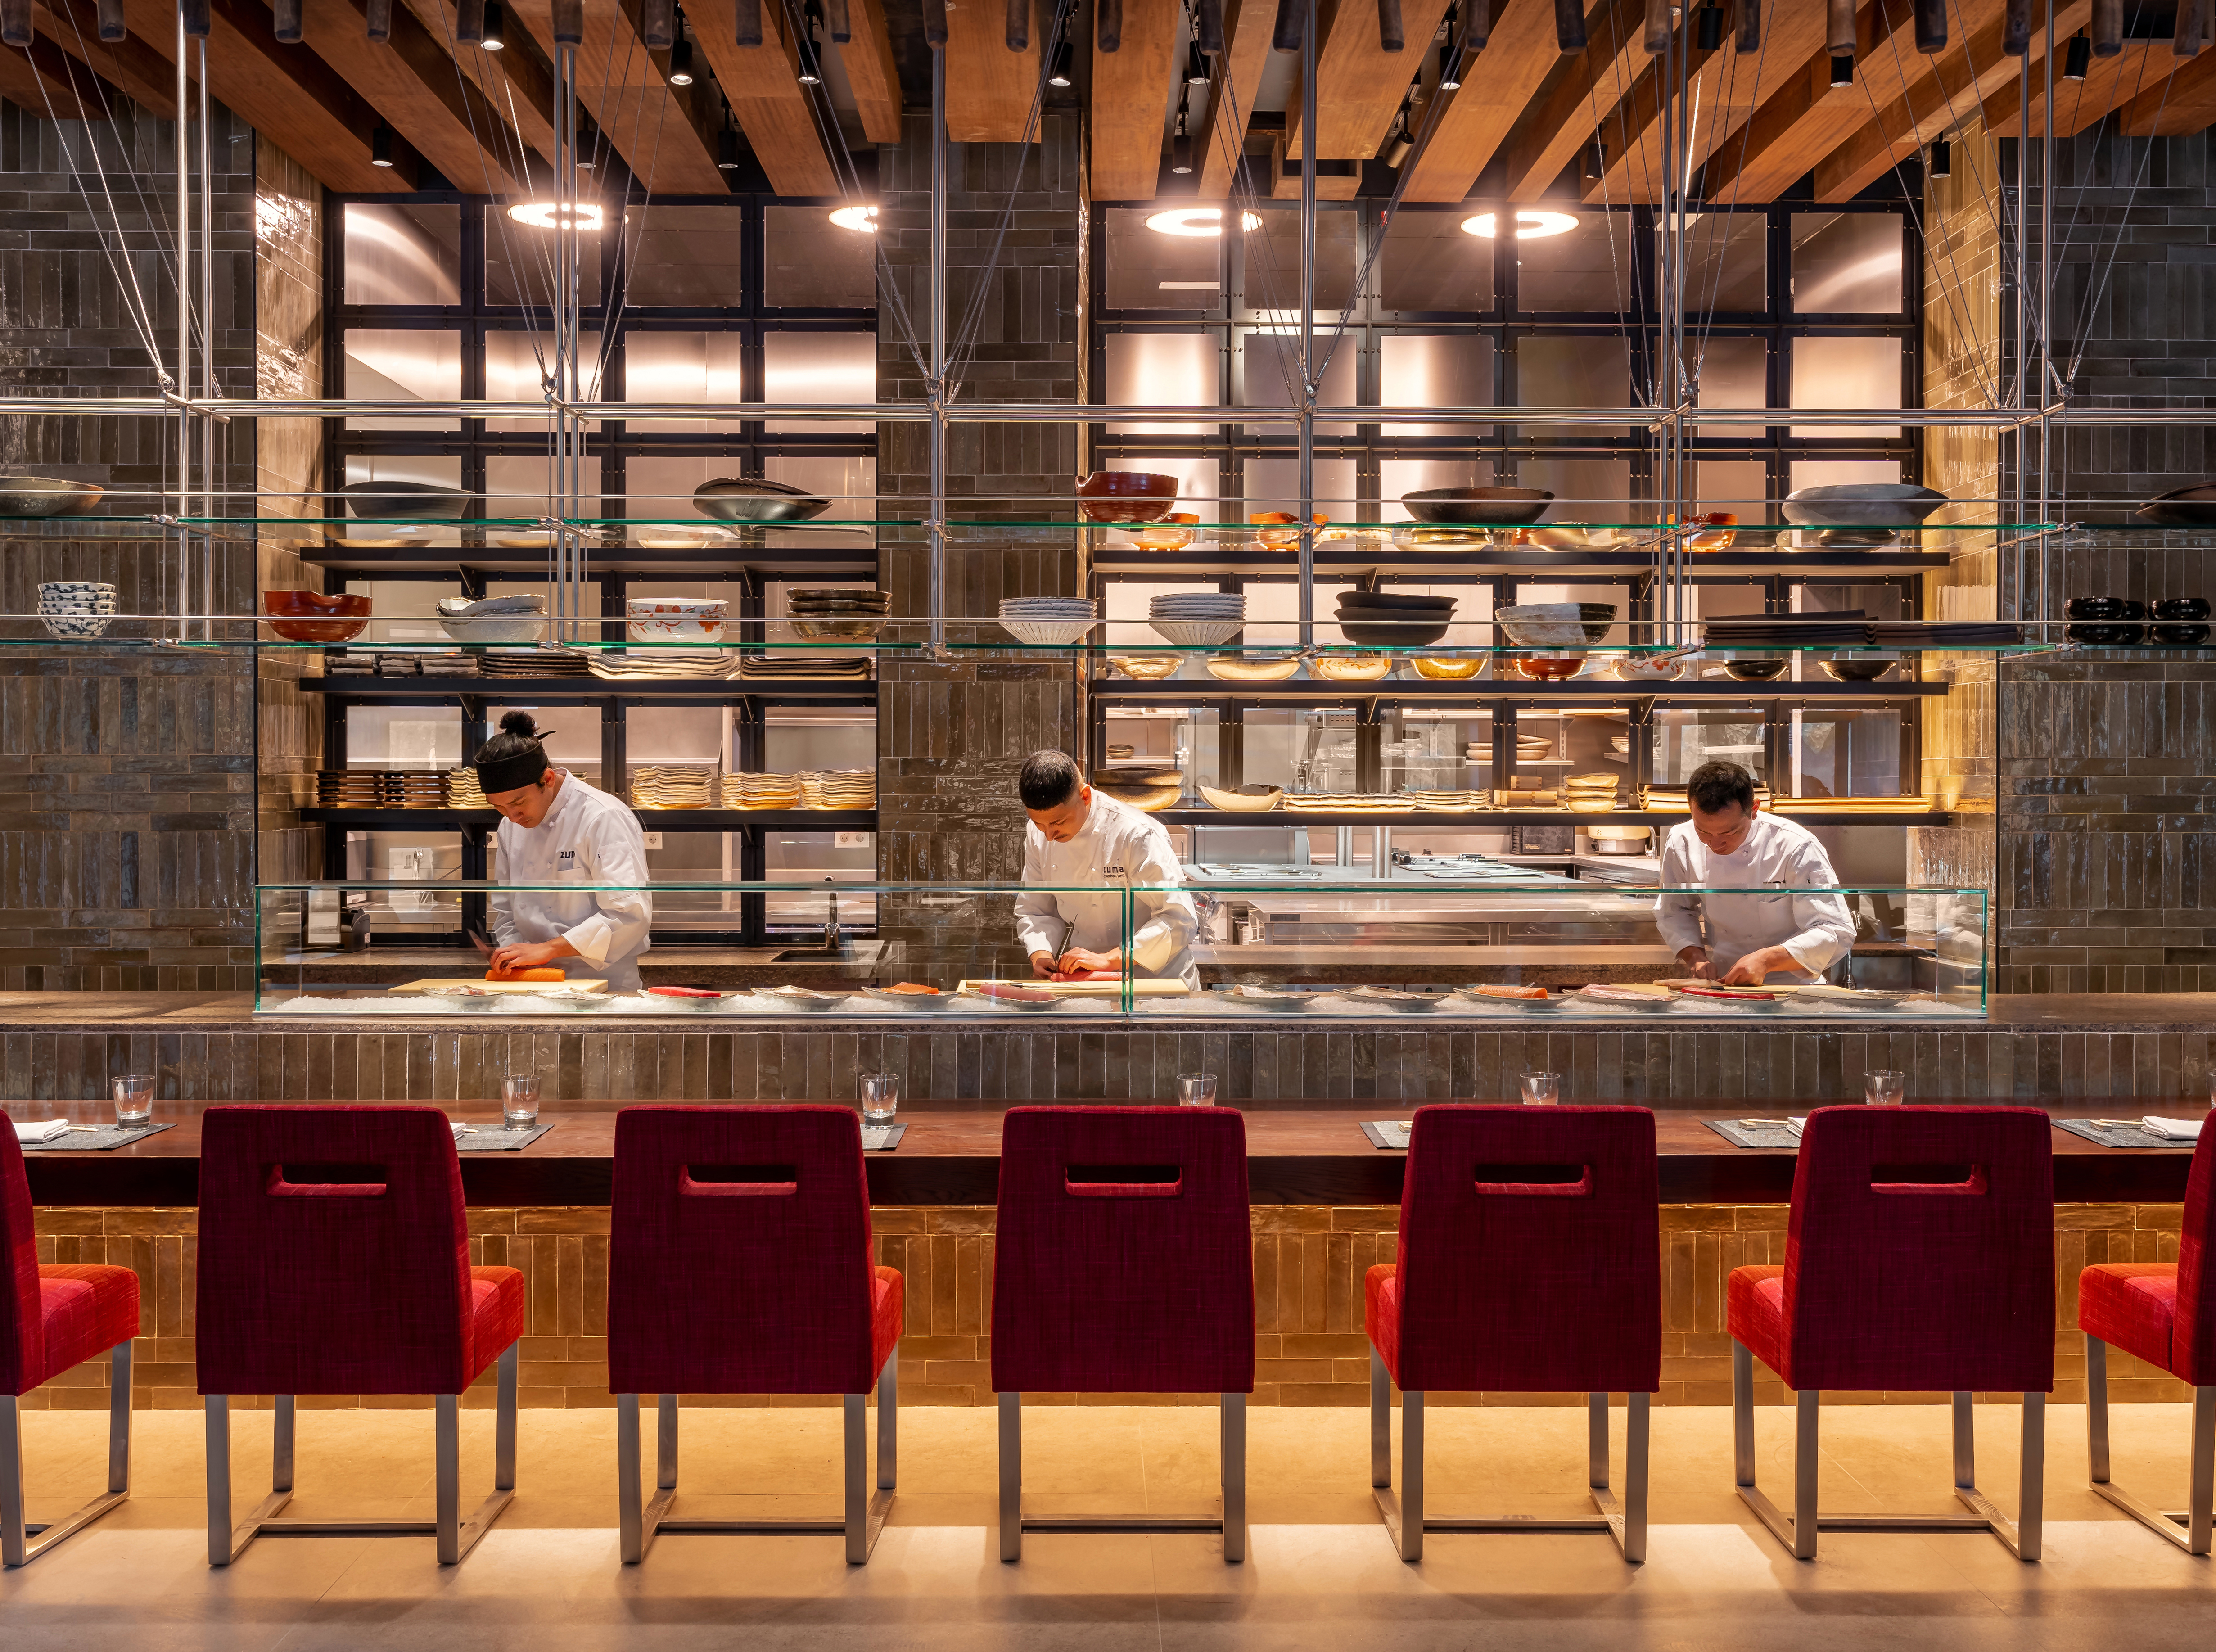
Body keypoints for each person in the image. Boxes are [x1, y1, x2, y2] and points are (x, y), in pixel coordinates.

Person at [470, 711, 654, 991]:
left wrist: (549, 949)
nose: (512, 817)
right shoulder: (510, 823)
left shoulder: (602, 816)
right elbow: (506, 908)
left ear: (548, 779)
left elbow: (629, 914)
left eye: (518, 803)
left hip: (601, 984)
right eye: (499, 807)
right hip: (531, 981)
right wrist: (513, 955)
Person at [1653, 760, 1855, 986]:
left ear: (1755, 809)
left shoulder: (1795, 845)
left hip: (1791, 986)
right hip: (1724, 983)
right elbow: (1674, 910)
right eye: (1704, 831)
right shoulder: (1682, 840)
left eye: (1730, 832)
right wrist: (1696, 959)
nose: (1715, 843)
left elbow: (1835, 931)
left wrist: (1766, 960)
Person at [1011, 749, 1199, 987]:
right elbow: (1037, 909)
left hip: (1155, 980)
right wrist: (1041, 955)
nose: (1049, 836)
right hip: (1086, 978)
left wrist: (1109, 960)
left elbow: (1179, 919)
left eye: (1059, 822)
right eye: (1039, 823)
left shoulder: (1136, 832)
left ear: (1086, 796)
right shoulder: (1038, 834)